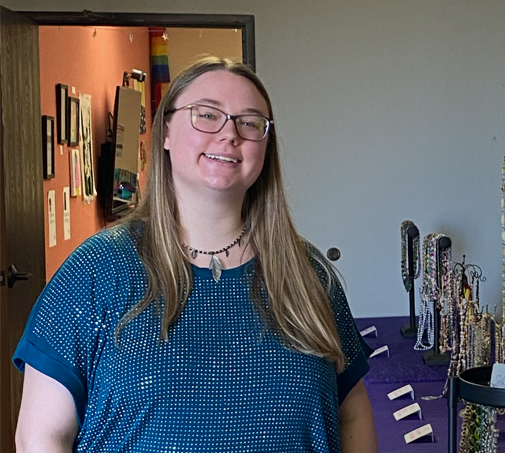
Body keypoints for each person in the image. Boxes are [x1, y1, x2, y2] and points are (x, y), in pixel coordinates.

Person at [13, 57, 378, 452]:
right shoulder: (97, 270)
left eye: (250, 122)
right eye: (206, 114)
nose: (229, 134)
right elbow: (42, 436)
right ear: (165, 130)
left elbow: (351, 411)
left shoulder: (308, 274)